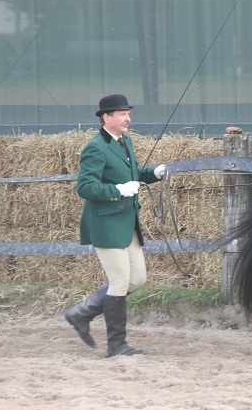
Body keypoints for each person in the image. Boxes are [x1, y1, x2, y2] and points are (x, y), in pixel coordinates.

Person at [65, 94, 167, 357]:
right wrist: (118, 190)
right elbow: (85, 187)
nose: (128, 118)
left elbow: (131, 176)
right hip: (106, 224)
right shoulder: (95, 147)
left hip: (127, 222)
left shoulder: (125, 141)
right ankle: (117, 345)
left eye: (128, 114)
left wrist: (151, 174)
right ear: (106, 117)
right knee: (120, 280)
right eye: (122, 114)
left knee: (138, 279)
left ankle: (81, 313)